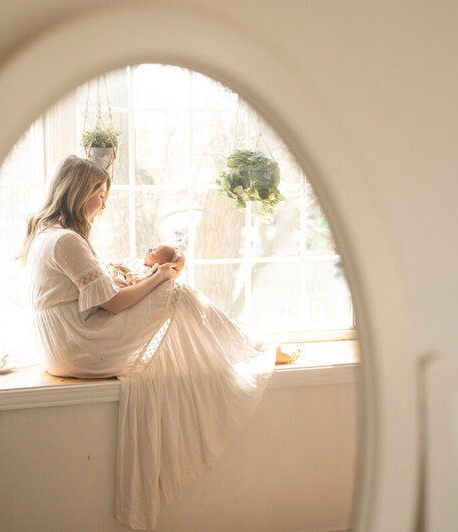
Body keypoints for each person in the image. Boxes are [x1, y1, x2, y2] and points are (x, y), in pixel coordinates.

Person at [16, 155, 288, 530]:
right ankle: (249, 349)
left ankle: (241, 347)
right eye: (100, 194)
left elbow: (90, 292)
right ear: (80, 194)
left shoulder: (49, 233)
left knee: (165, 289)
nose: (104, 204)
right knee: (176, 291)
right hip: (78, 344)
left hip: (63, 343)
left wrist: (131, 275)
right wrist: (158, 276)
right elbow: (111, 304)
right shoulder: (65, 240)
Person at [106, 243, 184, 288]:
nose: (149, 249)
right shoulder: (137, 261)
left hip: (114, 286)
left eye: (155, 251)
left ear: (163, 264)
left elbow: (140, 283)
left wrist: (128, 270)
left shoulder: (150, 274)